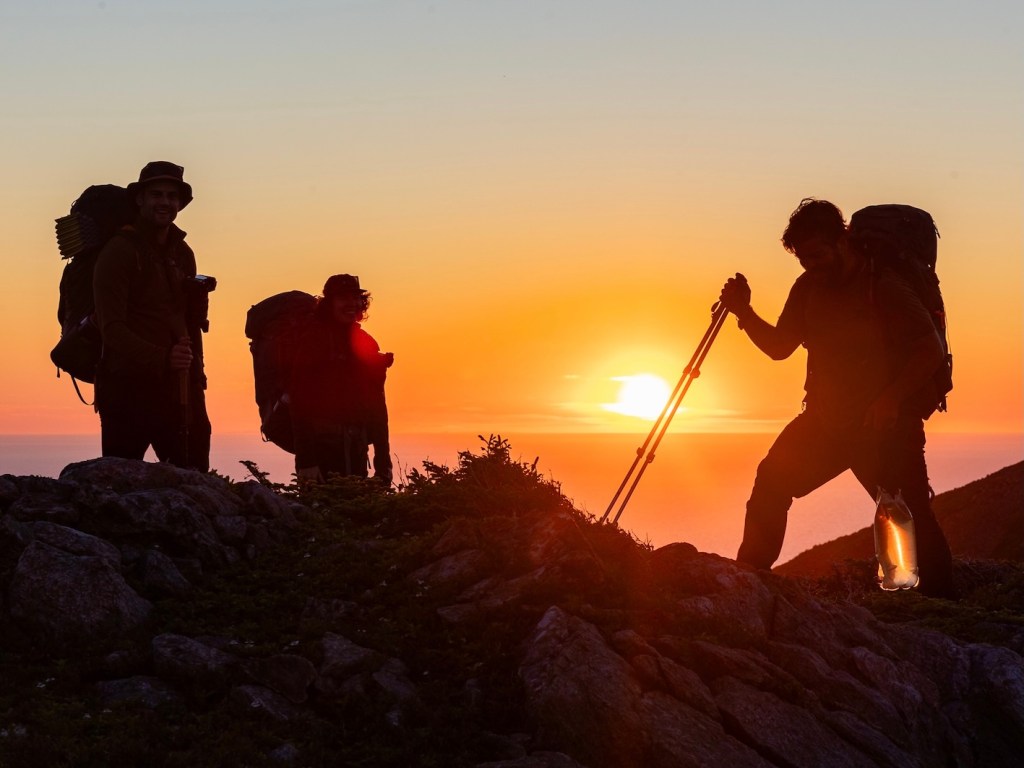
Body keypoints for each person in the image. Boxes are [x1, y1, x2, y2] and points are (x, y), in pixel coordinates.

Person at [718, 198, 954, 597]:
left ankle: (941, 605)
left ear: (841, 239)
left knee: (909, 515)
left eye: (817, 254)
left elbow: (928, 349)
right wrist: (743, 311)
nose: (811, 265)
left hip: (885, 426)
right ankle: (749, 579)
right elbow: (780, 346)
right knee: (772, 479)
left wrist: (892, 398)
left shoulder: (884, 286)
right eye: (803, 259)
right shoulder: (809, 287)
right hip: (827, 420)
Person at [92, 161, 213, 471]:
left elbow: (187, 322)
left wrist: (195, 374)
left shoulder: (182, 252)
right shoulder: (119, 252)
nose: (165, 202)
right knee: (119, 485)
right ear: (140, 199)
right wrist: (163, 358)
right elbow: (112, 329)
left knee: (194, 481)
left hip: (182, 389)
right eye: (156, 194)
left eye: (172, 197)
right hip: (127, 390)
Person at [289, 274, 394, 485]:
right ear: (329, 304)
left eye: (356, 298)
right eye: (343, 298)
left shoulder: (365, 343)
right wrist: (306, 461)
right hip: (320, 450)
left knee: (353, 512)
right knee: (321, 514)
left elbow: (377, 404)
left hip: (357, 447)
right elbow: (299, 400)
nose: (352, 304)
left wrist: (383, 461)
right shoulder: (313, 340)